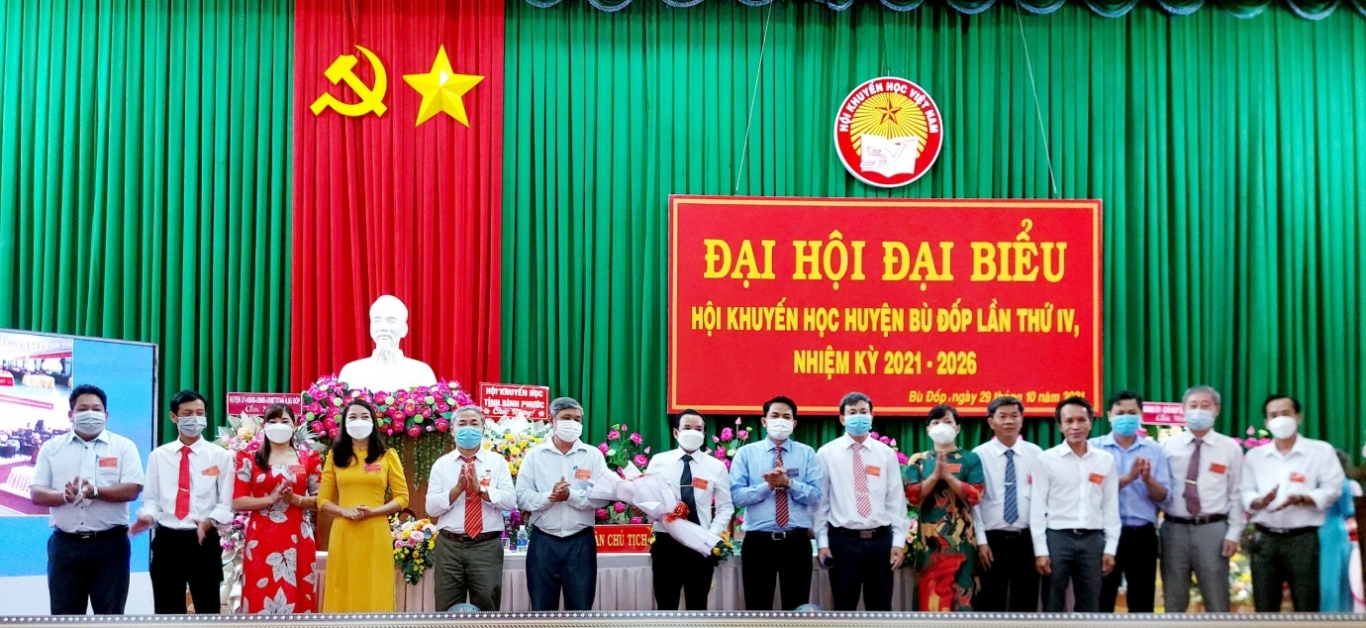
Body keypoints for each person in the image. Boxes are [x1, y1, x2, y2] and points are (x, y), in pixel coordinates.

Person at [29, 384, 144, 614]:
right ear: (70, 414)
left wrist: (96, 491)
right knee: (65, 618)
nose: (90, 414)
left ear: (106, 415)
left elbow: (133, 489)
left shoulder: (124, 447)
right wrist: (64, 496)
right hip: (65, 545)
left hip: (110, 545)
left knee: (110, 618)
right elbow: (36, 493)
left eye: (96, 409)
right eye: (82, 409)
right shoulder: (51, 448)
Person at [130, 390, 234, 614]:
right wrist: (147, 517)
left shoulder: (220, 456)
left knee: (208, 611)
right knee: (167, 612)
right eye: (187, 413)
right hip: (168, 541)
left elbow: (226, 503)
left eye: (200, 413)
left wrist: (209, 522)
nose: (195, 418)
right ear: (173, 417)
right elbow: (152, 501)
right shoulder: (159, 456)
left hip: (203, 540)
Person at [1240, 394, 1344, 612]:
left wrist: (1303, 498)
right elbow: (1244, 491)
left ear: (1298, 417)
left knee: (1306, 605)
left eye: (1285, 413)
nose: (1280, 419)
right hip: (1265, 539)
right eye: (1273, 415)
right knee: (1264, 608)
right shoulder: (1255, 456)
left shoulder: (1320, 451)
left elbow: (1333, 489)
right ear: (1266, 422)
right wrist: (1260, 501)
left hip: (1302, 540)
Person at [814, 393, 909, 611]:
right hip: (843, 542)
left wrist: (898, 542)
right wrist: (822, 543)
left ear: (872, 416)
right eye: (852, 412)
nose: (859, 417)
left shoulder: (886, 454)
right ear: (842, 418)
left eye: (863, 412)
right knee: (844, 608)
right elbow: (821, 504)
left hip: (880, 542)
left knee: (880, 610)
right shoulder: (827, 453)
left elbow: (896, 501)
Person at [515, 397, 610, 611]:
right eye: (567, 418)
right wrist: (550, 497)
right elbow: (521, 497)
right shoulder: (535, 456)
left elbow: (603, 497)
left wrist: (571, 496)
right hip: (543, 541)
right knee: (542, 610)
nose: (573, 423)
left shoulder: (593, 456)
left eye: (577, 419)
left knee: (580, 610)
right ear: (552, 420)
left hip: (580, 542)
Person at [730, 395, 823, 610]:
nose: (780, 420)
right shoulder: (746, 454)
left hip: (796, 542)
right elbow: (736, 496)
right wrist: (768, 486)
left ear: (794, 423)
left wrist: (789, 483)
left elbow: (816, 497)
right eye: (775, 415)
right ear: (764, 421)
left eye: (786, 417)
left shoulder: (807, 454)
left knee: (797, 610)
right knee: (757, 609)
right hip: (758, 543)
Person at [1160, 384, 1245, 613]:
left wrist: (1234, 533)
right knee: (1174, 601)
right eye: (1193, 405)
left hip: (1212, 529)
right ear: (1183, 409)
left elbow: (1236, 493)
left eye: (1205, 405)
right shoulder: (1167, 447)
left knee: (1217, 600)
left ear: (1216, 409)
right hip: (1174, 529)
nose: (1198, 411)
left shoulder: (1230, 448)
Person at [318, 399, 409, 612]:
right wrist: (344, 511)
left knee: (375, 588)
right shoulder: (334, 457)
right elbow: (323, 501)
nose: (359, 421)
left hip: (376, 532)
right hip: (344, 532)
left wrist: (374, 512)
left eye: (364, 416)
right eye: (353, 417)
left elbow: (402, 498)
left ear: (373, 422)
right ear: (344, 423)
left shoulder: (387, 456)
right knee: (342, 588)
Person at [1031, 396, 1119, 613]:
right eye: (1069, 421)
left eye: (1081, 420)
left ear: (1091, 422)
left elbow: (1110, 507)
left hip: (1092, 540)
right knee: (1052, 603)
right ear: (1060, 426)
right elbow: (1037, 508)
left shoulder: (1105, 460)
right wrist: (1040, 550)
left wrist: (1110, 547)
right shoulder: (1046, 460)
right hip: (1057, 539)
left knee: (1090, 604)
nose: (1076, 426)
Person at [231, 403, 320, 614]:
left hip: (298, 535)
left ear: (294, 425)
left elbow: (320, 500)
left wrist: (296, 499)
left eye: (284, 421)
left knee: (298, 594)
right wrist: (269, 500)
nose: (279, 425)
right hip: (261, 536)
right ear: (264, 426)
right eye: (273, 421)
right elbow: (237, 501)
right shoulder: (249, 458)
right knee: (261, 592)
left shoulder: (308, 458)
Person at [426, 405, 515, 612]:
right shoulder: (442, 465)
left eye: (474, 424)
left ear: (483, 429)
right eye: (462, 424)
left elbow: (510, 501)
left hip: (486, 547)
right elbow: (431, 508)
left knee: (487, 609)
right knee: (446, 610)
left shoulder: (497, 462)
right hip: (449, 546)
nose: (468, 428)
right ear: (452, 430)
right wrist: (456, 490)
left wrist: (480, 490)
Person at [1088, 390, 1170, 613]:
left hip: (1142, 535)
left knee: (1142, 604)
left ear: (1141, 415)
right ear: (1109, 415)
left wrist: (1148, 480)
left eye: (1132, 413)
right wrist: (1129, 478)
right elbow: (1091, 491)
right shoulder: (1094, 448)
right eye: (1120, 412)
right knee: (1101, 601)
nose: (1126, 417)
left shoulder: (1155, 451)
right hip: (1104, 534)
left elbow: (1164, 496)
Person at [646, 409, 734, 610]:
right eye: (687, 428)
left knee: (697, 606)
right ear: (676, 433)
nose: (693, 432)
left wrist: (710, 536)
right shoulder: (659, 462)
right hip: (666, 542)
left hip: (700, 544)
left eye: (698, 429)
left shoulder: (716, 467)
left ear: (704, 434)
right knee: (666, 607)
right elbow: (647, 498)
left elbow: (725, 507)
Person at [903, 404, 983, 611]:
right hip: (930, 542)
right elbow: (913, 496)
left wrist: (948, 477)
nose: (942, 426)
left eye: (947, 422)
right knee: (930, 598)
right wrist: (934, 477)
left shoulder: (970, 459)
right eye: (936, 422)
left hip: (962, 540)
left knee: (962, 597)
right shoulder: (919, 460)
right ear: (928, 429)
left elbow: (976, 495)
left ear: (957, 428)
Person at [972, 396, 1044, 612]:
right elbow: (975, 503)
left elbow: (1042, 501)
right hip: (992, 541)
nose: (1009, 421)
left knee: (1026, 604)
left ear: (1022, 420)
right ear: (991, 422)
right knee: (990, 604)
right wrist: (981, 541)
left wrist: (1040, 545)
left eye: (1014, 416)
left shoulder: (1036, 454)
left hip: (1026, 539)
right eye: (1002, 416)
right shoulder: (979, 455)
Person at [337, 295, 438, 392]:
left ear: (404, 329)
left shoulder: (422, 373)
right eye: (377, 321)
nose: (383, 328)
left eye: (391, 321)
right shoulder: (351, 372)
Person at [1319, 451, 1356, 613]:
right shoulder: (1342, 482)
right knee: (1335, 580)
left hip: (1312, 532)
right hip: (1334, 533)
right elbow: (1348, 511)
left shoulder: (1313, 482)